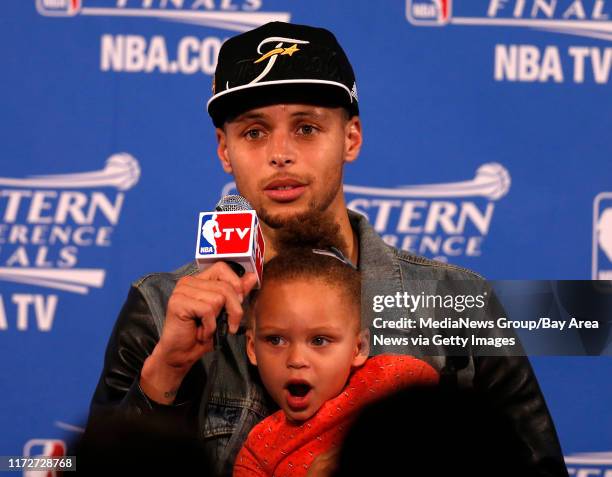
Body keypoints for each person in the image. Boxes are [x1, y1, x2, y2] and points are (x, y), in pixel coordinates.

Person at [87, 21, 568, 477]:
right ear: (224, 150)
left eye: (306, 128)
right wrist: (165, 372)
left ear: (351, 138)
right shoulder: (161, 306)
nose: (281, 153)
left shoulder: (455, 301)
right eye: (254, 132)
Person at [233, 246, 439, 476]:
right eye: (276, 340)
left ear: (358, 347)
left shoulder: (400, 378)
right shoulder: (258, 451)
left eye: (319, 340)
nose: (296, 359)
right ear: (252, 348)